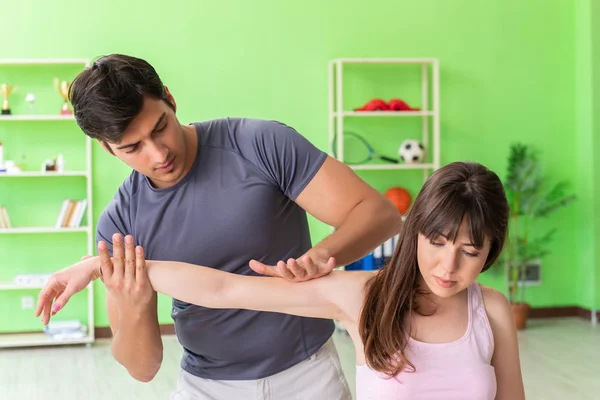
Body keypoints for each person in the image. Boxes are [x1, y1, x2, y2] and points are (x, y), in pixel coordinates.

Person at [35, 53, 401, 399]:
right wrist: (133, 305)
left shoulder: (259, 144)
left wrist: (324, 254)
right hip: (206, 387)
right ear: (107, 148)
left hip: (307, 375)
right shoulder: (120, 224)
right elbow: (143, 369)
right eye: (134, 148)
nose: (158, 154)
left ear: (171, 100)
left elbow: (380, 214)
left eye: (160, 127)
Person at [38, 161, 526, 400]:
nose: (448, 267)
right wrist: (95, 266)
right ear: (416, 231)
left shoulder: (493, 311)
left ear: (489, 253)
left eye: (469, 252)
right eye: (438, 243)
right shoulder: (363, 296)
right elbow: (221, 288)